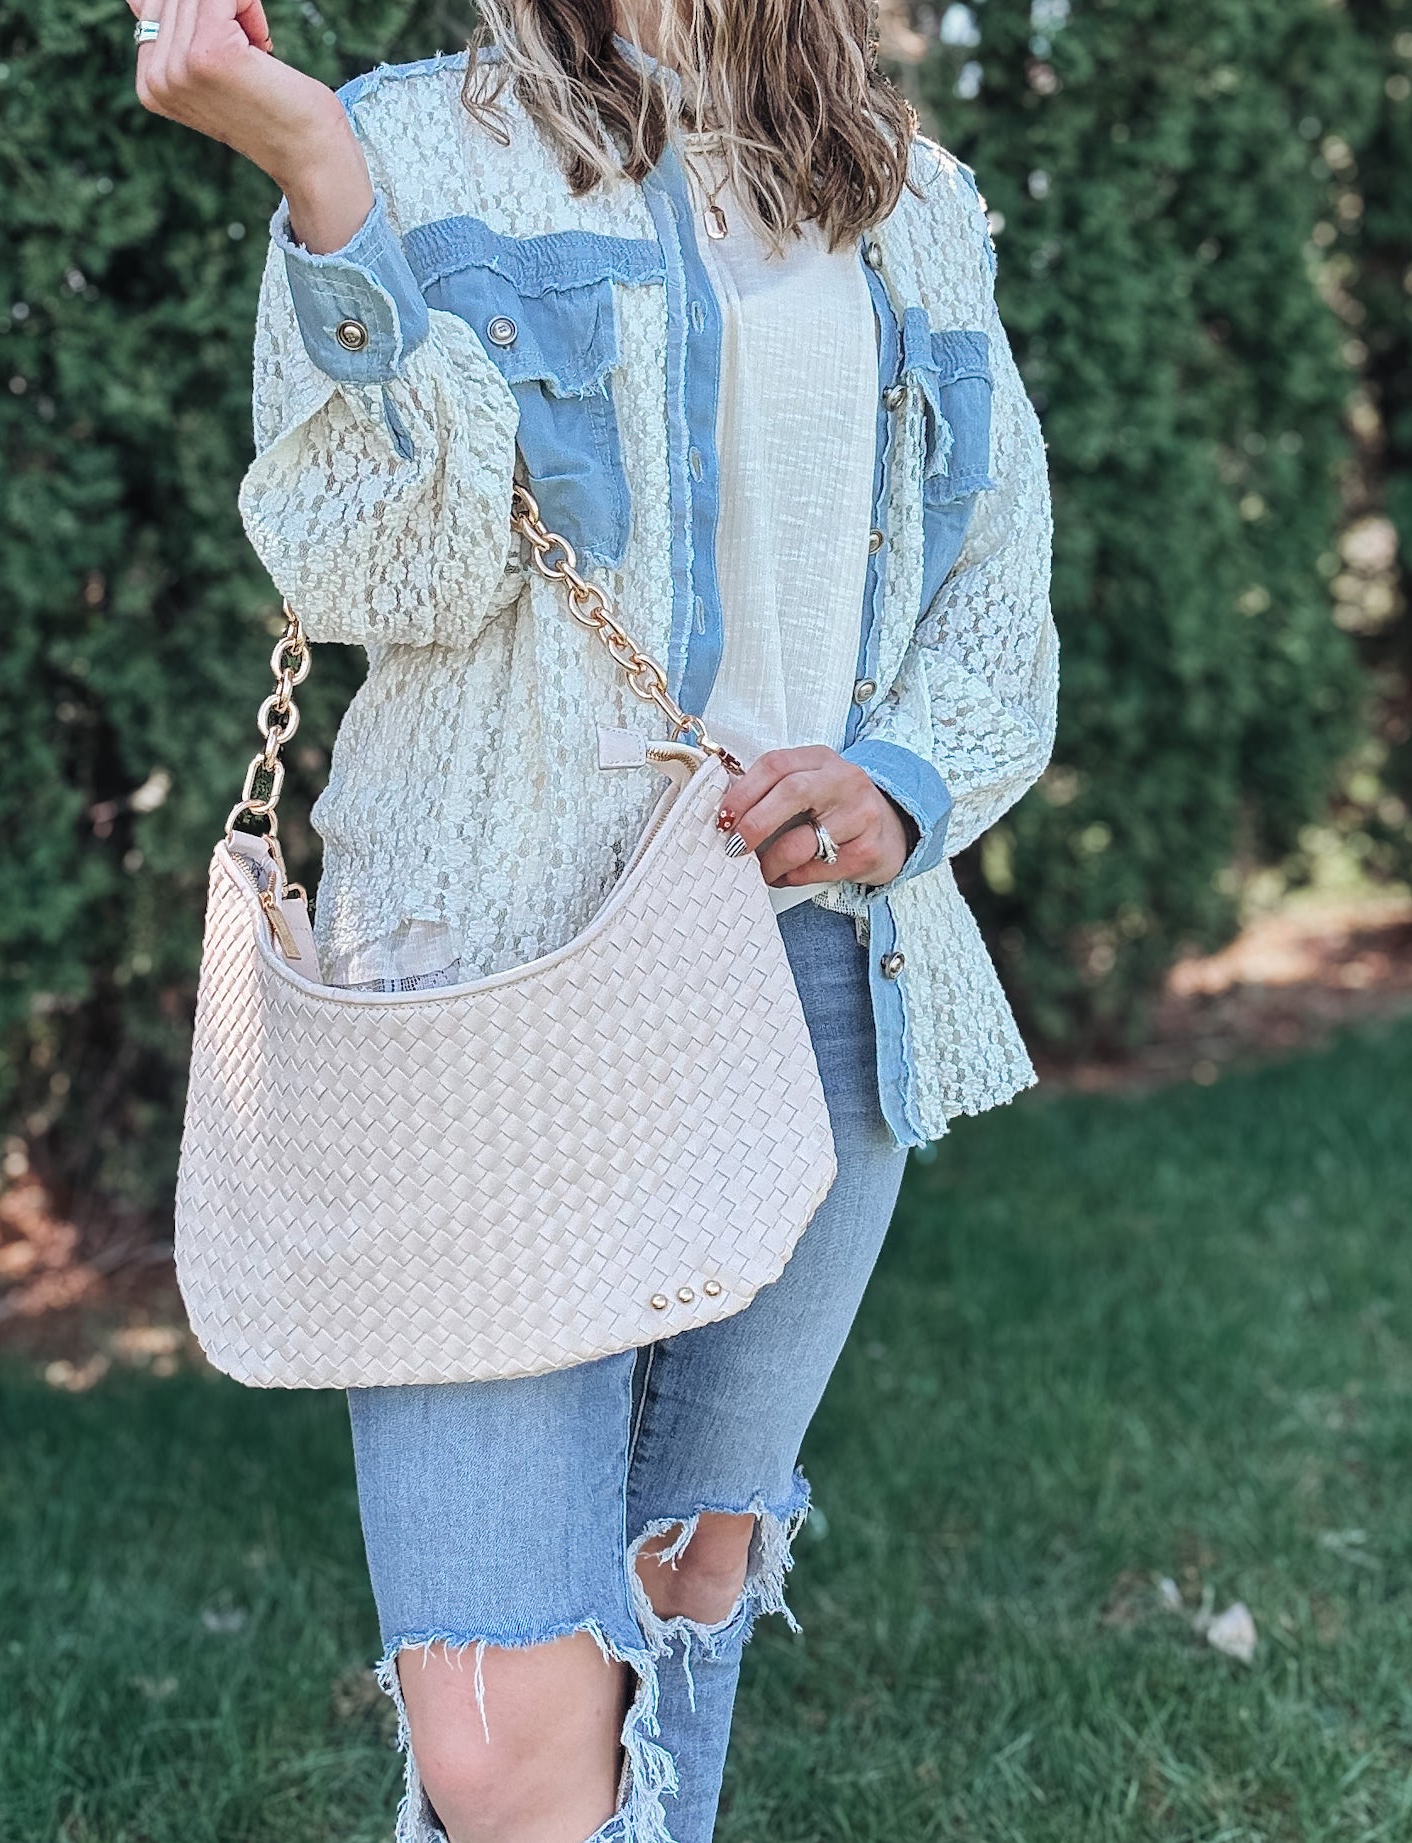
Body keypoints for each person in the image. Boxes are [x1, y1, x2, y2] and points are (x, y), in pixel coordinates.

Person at [130, 2, 1056, 1837]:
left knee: (685, 1591)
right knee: (496, 1740)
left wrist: (903, 782)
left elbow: (994, 590)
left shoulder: (914, 199)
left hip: (816, 971)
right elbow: (381, 568)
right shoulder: (401, 144)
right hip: (493, 984)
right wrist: (321, 187)